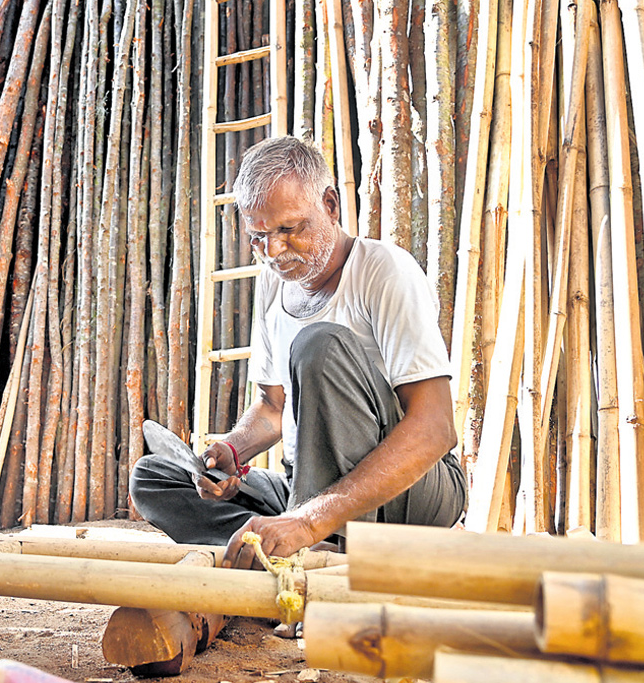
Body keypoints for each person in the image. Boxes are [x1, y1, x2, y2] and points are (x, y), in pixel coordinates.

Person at [129, 136, 466, 572]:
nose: (273, 251)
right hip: (308, 487)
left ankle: (313, 542)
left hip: (414, 494)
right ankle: (299, 548)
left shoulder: (385, 272)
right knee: (154, 478)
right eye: (259, 237)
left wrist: (308, 521)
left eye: (289, 229)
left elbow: (435, 429)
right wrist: (233, 449)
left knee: (320, 344)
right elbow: (273, 407)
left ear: (330, 204)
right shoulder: (273, 282)